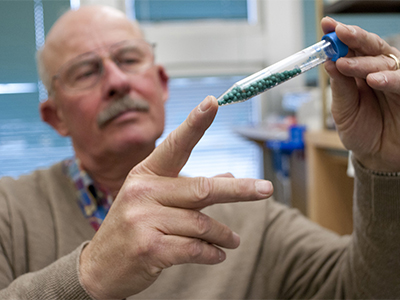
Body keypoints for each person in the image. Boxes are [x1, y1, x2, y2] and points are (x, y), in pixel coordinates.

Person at [0, 5, 399, 299]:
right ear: (55, 117)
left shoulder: (248, 220)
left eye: (129, 59)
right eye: (86, 71)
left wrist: (386, 167)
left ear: (161, 84)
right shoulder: (9, 215)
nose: (117, 81)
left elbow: (369, 290)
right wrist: (87, 274)